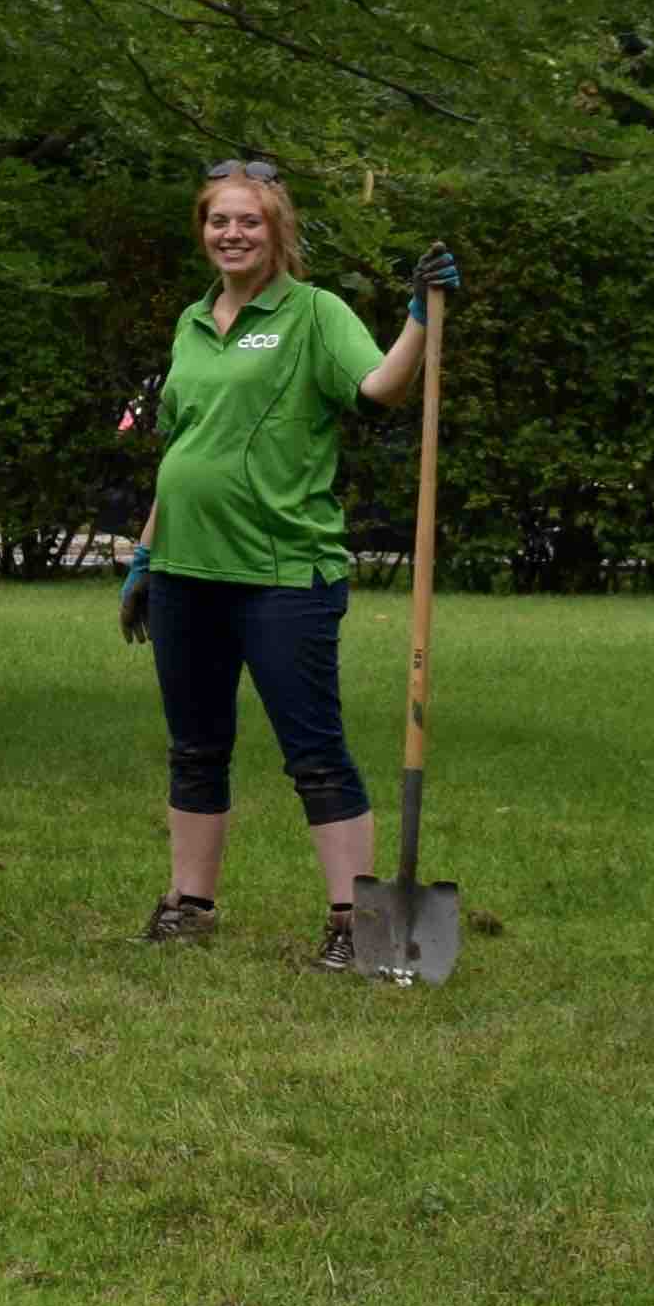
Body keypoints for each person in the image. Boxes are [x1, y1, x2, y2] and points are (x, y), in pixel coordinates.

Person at [125, 163, 443, 970]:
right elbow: (183, 444)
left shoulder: (314, 312)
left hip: (283, 573)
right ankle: (189, 905)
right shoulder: (192, 321)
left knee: (314, 752)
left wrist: (418, 319)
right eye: (219, 221)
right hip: (185, 571)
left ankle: (354, 923)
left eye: (249, 222)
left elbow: (379, 389)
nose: (232, 234)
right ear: (203, 230)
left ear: (277, 232)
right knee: (195, 746)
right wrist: (146, 553)